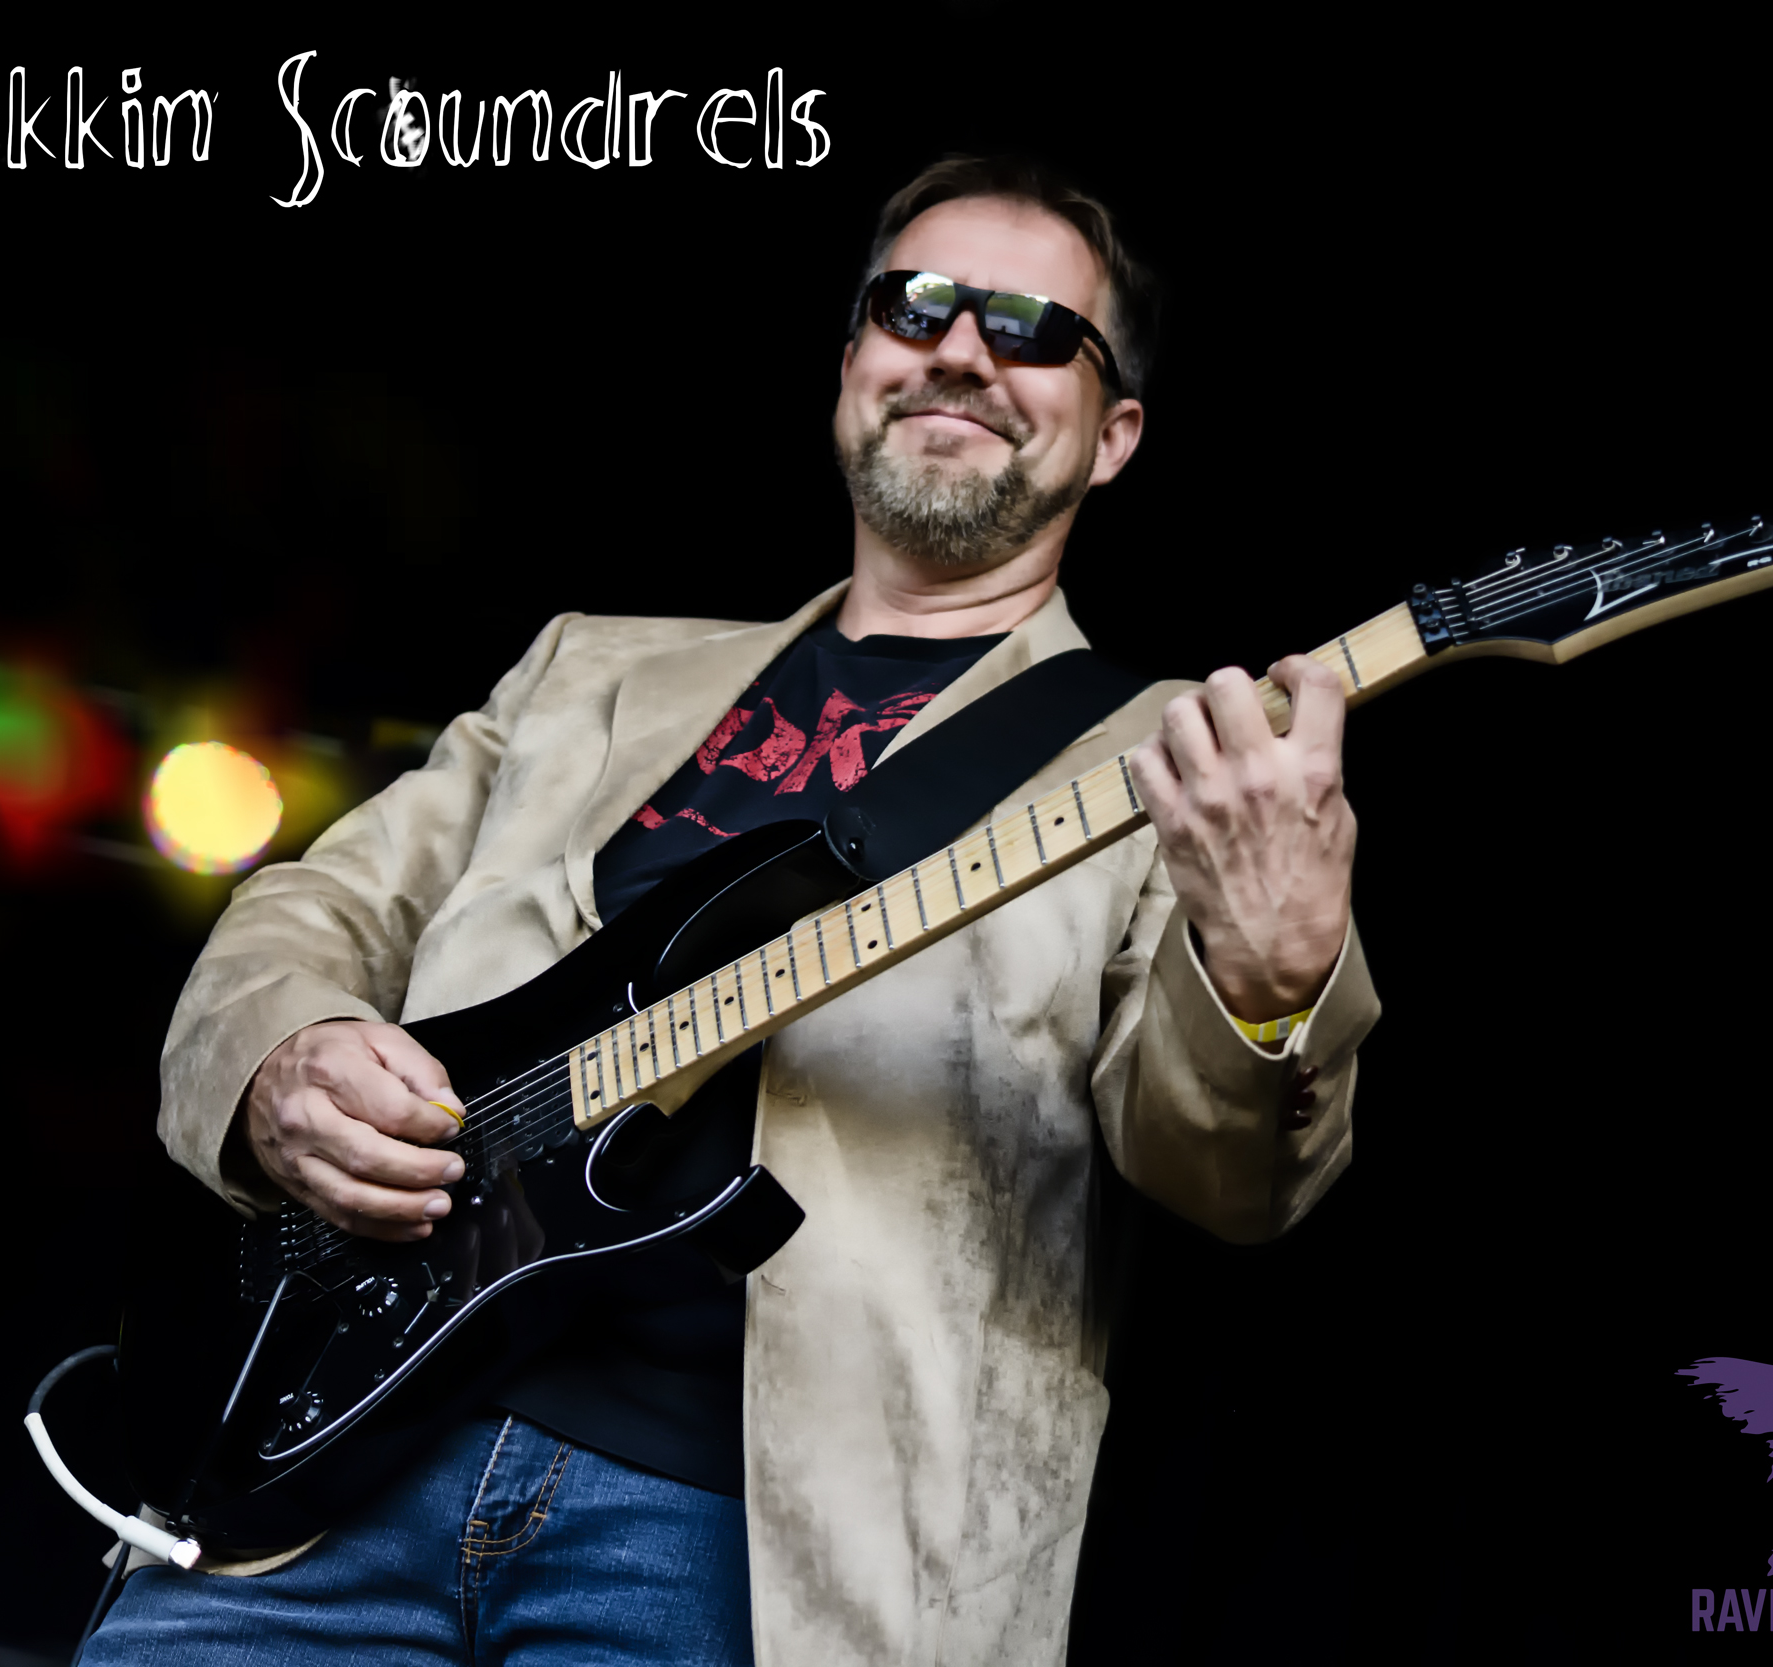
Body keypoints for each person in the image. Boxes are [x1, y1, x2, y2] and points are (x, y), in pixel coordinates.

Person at [88, 154, 1377, 1666]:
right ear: (852, 366)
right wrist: (281, 1058)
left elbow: (1231, 1181)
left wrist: (1273, 975)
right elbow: (318, 905)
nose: (964, 350)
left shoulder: (1176, 762)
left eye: (1034, 330)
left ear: (1115, 435)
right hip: (326, 1479)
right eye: (916, 307)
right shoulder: (590, 663)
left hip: (763, 1565)